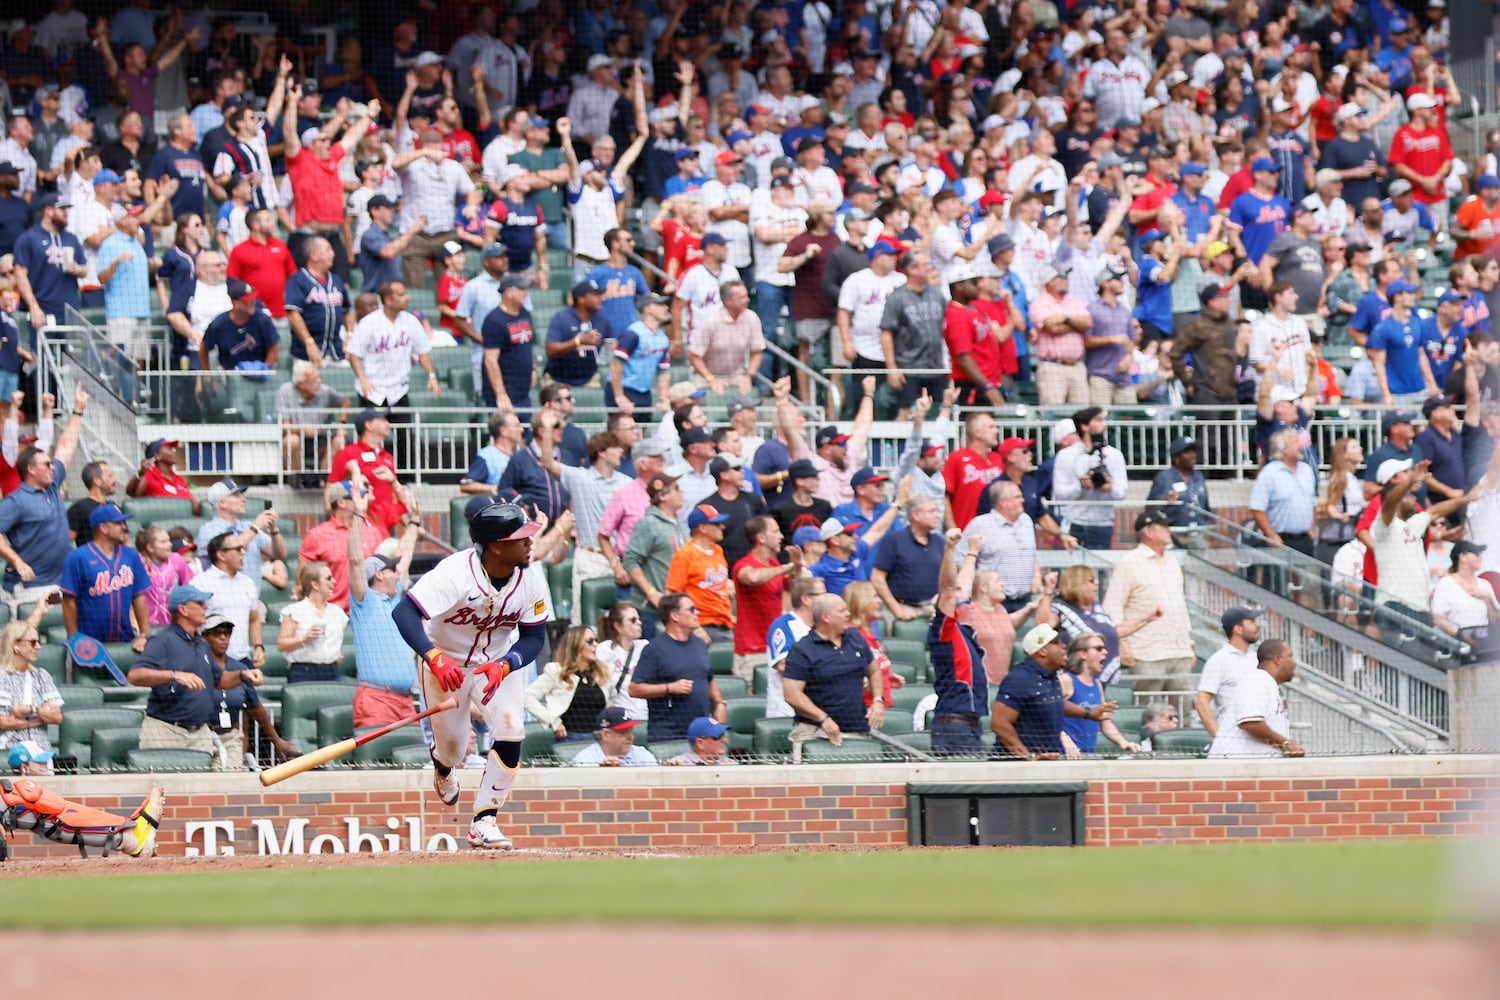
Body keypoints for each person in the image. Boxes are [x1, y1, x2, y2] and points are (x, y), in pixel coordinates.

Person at [392, 502, 549, 849]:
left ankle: (484, 820)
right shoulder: (454, 573)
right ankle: (443, 768)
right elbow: (404, 612)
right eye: (521, 537)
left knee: (511, 729)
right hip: (444, 661)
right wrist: (432, 656)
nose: (530, 542)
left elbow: (535, 637)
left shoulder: (531, 580)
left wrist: (508, 663)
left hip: (496, 662)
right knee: (454, 749)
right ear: (496, 545)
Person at [127, 583, 261, 766]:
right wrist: (174, 675)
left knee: (203, 791)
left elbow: (219, 680)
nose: (205, 607)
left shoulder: (201, 643)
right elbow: (135, 675)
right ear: (183, 609)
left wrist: (243, 674)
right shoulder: (163, 641)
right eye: (199, 603)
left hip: (199, 733)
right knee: (164, 788)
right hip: (166, 730)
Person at [535, 418, 631, 623]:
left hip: (620, 560)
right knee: (583, 619)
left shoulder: (626, 483)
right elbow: (547, 462)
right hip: (591, 558)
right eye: (616, 448)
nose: (621, 452)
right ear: (602, 452)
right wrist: (550, 428)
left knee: (621, 620)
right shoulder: (579, 478)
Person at [1372, 459, 1477, 644]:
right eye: (1409, 495)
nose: (1415, 498)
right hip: (1394, 604)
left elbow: (1436, 511)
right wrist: (1411, 479)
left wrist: (1466, 499)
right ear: (1398, 499)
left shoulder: (1411, 524)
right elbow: (1389, 502)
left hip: (1419, 608)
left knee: (1417, 666)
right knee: (1403, 663)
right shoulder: (1383, 524)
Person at [0, 396, 88, 597]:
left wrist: (77, 411)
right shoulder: (16, 500)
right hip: (31, 587)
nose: (52, 467)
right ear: (31, 470)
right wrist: (17, 562)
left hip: (63, 583)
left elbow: (65, 447)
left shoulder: (52, 484)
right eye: (46, 465)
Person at [345, 484, 417, 728]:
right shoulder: (364, 600)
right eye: (392, 570)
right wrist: (357, 515)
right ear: (378, 575)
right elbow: (355, 561)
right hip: (376, 699)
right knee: (379, 763)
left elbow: (405, 554)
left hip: (406, 701)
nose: (398, 574)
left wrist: (414, 522)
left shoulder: (396, 600)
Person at [1102, 510, 1194, 698]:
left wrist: (1190, 643)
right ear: (1148, 532)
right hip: (1146, 652)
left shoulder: (1173, 562)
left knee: (1182, 713)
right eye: (1163, 526)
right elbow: (1113, 606)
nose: (1169, 530)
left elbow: (1180, 606)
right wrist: (1122, 642)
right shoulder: (1129, 563)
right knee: (1147, 712)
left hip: (1179, 651)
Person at [782, 593, 884, 763]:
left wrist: (878, 700)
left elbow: (874, 670)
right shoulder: (802, 650)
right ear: (825, 617)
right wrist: (823, 719)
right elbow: (792, 694)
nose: (848, 614)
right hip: (816, 733)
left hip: (857, 732)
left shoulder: (855, 637)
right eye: (842, 610)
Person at [199, 612, 297, 771]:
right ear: (204, 637)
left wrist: (276, 740)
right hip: (201, 735)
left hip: (230, 735)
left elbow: (256, 707)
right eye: (217, 633)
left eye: (227, 633)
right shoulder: (198, 666)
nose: (224, 637)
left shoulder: (240, 668)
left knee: (229, 777)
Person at [1038, 563, 1160, 686]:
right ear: (1077, 583)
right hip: (1075, 680)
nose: (1097, 583)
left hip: (1107, 678)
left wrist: (1147, 618)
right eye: (1091, 580)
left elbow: (1114, 631)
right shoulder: (1060, 606)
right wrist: (1048, 591)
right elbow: (1043, 626)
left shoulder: (1097, 608)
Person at [628, 591, 726, 744]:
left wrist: (720, 703)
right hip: (667, 736)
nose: (697, 613)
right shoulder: (655, 648)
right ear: (675, 616)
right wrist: (670, 688)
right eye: (692, 610)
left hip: (701, 735)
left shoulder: (700, 644)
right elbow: (634, 689)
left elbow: (708, 677)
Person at [60, 502, 150, 651]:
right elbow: (68, 601)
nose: (124, 527)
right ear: (103, 528)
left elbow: (139, 597)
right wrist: (74, 639)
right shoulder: (77, 558)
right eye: (118, 523)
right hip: (89, 642)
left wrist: (145, 634)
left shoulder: (131, 555)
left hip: (125, 640)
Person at [1249, 428, 1320, 602]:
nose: (1301, 446)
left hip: (1304, 540)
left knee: (1306, 589)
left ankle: (1305, 628)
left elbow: (1313, 503)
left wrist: (1311, 530)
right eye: (1295, 442)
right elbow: (1257, 508)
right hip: (1280, 541)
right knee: (1277, 591)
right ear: (1283, 449)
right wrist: (1272, 536)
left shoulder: (1306, 470)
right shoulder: (1269, 473)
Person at [991, 624, 1079, 759]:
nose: (1063, 646)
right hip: (1017, 771)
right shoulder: (1019, 678)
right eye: (1057, 643)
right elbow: (1000, 724)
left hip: (1046, 763)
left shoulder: (1050, 676)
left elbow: (1053, 703)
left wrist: (1089, 713)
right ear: (1043, 650)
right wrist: (1029, 757)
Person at [1207, 639, 1305, 759]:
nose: (1294, 663)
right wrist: (1285, 743)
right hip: (1234, 767)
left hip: (1249, 766)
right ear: (1278, 659)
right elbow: (1251, 723)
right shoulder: (1256, 681)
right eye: (1290, 656)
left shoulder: (1267, 683)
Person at [954, 480, 1042, 611]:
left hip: (1026, 600)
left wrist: (1037, 575)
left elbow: (1033, 554)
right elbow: (959, 560)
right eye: (1017, 497)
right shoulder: (980, 524)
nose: (1023, 500)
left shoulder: (1026, 521)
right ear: (1003, 502)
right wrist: (975, 590)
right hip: (992, 603)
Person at [732, 515, 799, 683]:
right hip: (752, 652)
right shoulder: (743, 564)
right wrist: (787, 567)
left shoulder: (775, 564)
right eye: (775, 531)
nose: (781, 536)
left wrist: (796, 567)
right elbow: (753, 578)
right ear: (761, 538)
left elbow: (789, 587)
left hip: (776, 648)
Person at [1050, 406, 1128, 549]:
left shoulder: (1114, 455)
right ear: (1084, 426)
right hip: (1074, 523)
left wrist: (1110, 488)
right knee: (1069, 570)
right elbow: (1059, 495)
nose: (1103, 425)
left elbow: (1122, 493)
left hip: (1102, 523)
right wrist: (1079, 487)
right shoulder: (1066, 455)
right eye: (1098, 420)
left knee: (1100, 569)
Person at [525, 625, 612, 744]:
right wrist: (553, 722)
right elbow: (527, 697)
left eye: (596, 640)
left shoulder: (602, 671)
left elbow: (612, 701)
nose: (595, 644)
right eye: (590, 641)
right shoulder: (556, 671)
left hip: (600, 739)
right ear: (575, 645)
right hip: (569, 739)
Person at [0, 615, 63, 771]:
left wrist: (30, 709)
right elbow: (2, 722)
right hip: (11, 751)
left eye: (39, 642)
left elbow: (57, 717)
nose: (38, 647)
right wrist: (37, 719)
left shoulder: (42, 675)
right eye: (33, 642)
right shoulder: (2, 676)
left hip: (42, 751)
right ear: (16, 645)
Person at [195, 478, 284, 585]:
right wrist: (256, 527)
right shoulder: (208, 530)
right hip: (220, 595)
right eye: (236, 495)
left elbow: (279, 554)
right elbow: (231, 550)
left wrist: (274, 529)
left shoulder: (247, 526)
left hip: (252, 597)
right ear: (222, 503)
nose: (243, 499)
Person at [1059, 633, 1138, 755]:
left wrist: (1123, 742)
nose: (1105, 652)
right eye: (1099, 649)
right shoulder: (1066, 680)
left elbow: (1104, 721)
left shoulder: (1097, 684)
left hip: (1089, 755)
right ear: (1083, 654)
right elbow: (1049, 717)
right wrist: (1065, 739)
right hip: (1066, 755)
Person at [666, 504, 735, 642]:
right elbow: (672, 597)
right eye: (717, 524)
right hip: (701, 626)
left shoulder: (718, 550)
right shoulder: (685, 555)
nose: (723, 527)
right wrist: (695, 628)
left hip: (725, 626)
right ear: (702, 528)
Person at [196, 531, 264, 669]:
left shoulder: (247, 583)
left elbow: (254, 618)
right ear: (221, 555)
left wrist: (258, 646)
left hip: (243, 661)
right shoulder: (200, 584)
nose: (243, 553)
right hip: (211, 662)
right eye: (238, 549)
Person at [870, 495, 944, 622]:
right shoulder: (894, 540)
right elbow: (877, 578)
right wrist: (896, 608)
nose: (937, 515)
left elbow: (948, 577)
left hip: (934, 611)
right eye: (931, 511)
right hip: (901, 610)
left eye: (937, 511)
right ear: (915, 515)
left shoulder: (940, 542)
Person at [1194, 606, 1264, 737]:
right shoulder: (1219, 660)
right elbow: (1201, 702)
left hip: (1258, 735)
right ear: (1237, 629)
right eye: (1251, 621)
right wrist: (1220, 737)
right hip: (1233, 737)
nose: (1258, 625)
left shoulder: (1257, 658)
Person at [276, 561, 348, 685]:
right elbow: (282, 644)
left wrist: (334, 653)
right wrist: (304, 638)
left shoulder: (337, 612)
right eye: (329, 578)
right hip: (303, 672)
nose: (334, 582)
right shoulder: (294, 611)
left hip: (331, 671)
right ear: (315, 584)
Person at [942, 411, 1004, 531]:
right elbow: (944, 497)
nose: (996, 431)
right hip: (966, 533)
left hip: (997, 534)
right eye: (991, 427)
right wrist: (952, 529)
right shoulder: (957, 458)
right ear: (977, 432)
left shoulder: (998, 458)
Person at [1148, 436, 1213, 539]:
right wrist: (1164, 501)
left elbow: (1205, 507)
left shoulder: (1199, 476)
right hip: (1172, 534)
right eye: (1188, 452)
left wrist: (1208, 534)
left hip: (1197, 533)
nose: (1193, 455)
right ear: (1176, 458)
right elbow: (1149, 507)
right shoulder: (1164, 477)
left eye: (1194, 451)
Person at [596, 603, 649, 721]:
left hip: (646, 715)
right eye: (633, 620)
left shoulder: (645, 646)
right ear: (618, 626)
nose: (639, 622)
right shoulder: (605, 649)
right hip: (619, 717)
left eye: (639, 619)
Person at [1432, 542, 1498, 636]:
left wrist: (1488, 600)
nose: (1480, 558)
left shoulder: (1485, 584)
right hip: (1455, 642)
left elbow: (1494, 621)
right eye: (1476, 554)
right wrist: (1461, 635)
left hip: (1481, 643)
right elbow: (1438, 619)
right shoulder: (1446, 583)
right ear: (1462, 556)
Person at [570, 705, 657, 767]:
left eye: (631, 731)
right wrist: (600, 774)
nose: (630, 737)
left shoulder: (642, 754)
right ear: (605, 734)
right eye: (623, 732)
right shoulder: (585, 759)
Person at [664, 716, 738, 765]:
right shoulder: (679, 765)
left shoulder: (729, 764)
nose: (724, 740)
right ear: (700, 743)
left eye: (723, 735)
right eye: (717, 737)